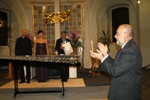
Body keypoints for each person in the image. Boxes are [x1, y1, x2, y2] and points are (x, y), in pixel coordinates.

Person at [90, 24, 142, 100]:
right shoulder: (126, 48)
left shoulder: (130, 50)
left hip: (126, 93)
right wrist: (105, 54)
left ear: (126, 34)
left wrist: (101, 58)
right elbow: (116, 65)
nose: (115, 36)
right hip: (122, 90)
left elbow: (115, 71)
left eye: (117, 33)